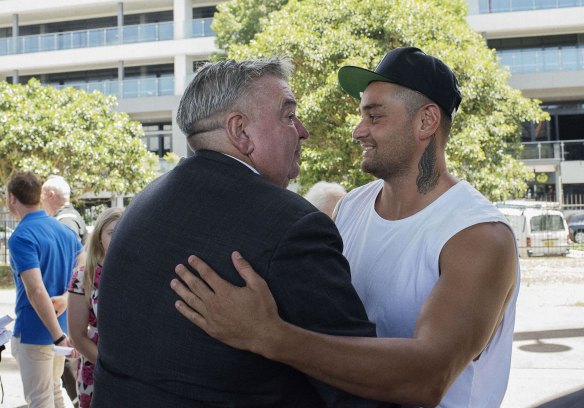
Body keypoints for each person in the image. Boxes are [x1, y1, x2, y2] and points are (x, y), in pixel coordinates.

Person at [170, 47, 521, 407]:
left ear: (426, 121)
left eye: (375, 116)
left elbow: (429, 379)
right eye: (361, 116)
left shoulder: (477, 235)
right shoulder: (350, 208)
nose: (358, 131)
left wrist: (271, 336)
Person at [92, 58, 385, 407]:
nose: (303, 130)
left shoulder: (141, 206)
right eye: (289, 116)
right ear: (241, 132)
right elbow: (360, 384)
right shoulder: (292, 225)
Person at [6, 171, 82, 408]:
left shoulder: (21, 236)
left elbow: (36, 291)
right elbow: (84, 268)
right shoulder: (64, 232)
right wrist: (68, 298)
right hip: (61, 329)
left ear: (11, 198)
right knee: (54, 392)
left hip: (37, 332)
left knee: (40, 400)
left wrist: (58, 337)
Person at [67, 207, 123, 408]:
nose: (119, 237)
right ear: (100, 238)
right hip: (98, 366)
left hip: (139, 371)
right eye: (111, 232)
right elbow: (77, 335)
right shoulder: (84, 277)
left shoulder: (141, 275)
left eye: (124, 230)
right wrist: (110, 367)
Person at [41, 174, 85, 407]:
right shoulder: (70, 218)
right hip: (67, 306)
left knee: (67, 363)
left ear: (49, 195)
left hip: (65, 309)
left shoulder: (64, 222)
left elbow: (78, 263)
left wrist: (68, 296)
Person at [41, 175, 87, 243]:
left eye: (42, 194)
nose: (40, 199)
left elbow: (69, 251)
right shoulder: (67, 217)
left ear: (51, 195)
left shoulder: (66, 220)